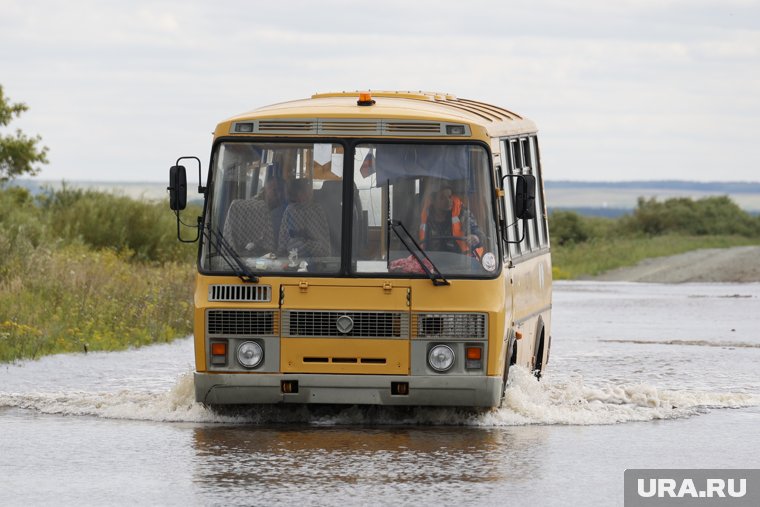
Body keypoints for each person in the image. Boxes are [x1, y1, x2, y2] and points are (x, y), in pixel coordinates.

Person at [223, 177, 285, 256]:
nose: (279, 195)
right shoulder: (261, 209)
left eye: (281, 192)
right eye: (275, 191)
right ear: (265, 190)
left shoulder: (280, 211)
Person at [419, 185, 484, 257]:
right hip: (430, 262)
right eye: (442, 198)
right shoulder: (424, 217)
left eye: (449, 197)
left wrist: (475, 237)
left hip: (459, 260)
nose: (448, 201)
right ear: (433, 201)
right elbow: (412, 240)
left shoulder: (461, 213)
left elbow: (478, 233)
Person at [278, 178, 330, 259]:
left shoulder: (317, 210)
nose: (310, 193)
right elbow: (284, 241)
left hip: (317, 258)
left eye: (310, 190)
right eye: (306, 190)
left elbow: (324, 243)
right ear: (298, 193)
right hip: (294, 258)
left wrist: (307, 244)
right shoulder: (290, 210)